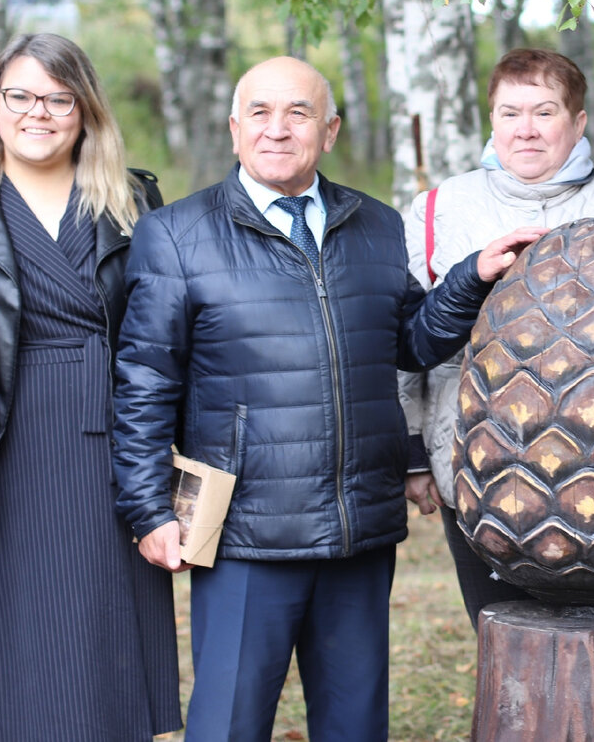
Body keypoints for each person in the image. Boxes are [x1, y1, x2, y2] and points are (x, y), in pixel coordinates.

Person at [112, 55, 543, 742]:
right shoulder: (177, 235)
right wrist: (146, 508)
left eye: (299, 113)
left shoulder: (373, 224)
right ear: (233, 129)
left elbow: (407, 340)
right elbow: (144, 380)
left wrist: (470, 278)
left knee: (355, 725)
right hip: (247, 533)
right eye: (260, 112)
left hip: (357, 529)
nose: (277, 129)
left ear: (331, 129)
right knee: (229, 724)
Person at [400, 47, 594, 629]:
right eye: (510, 113)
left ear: (578, 121)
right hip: (476, 462)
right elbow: (404, 343)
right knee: (506, 638)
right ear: (491, 119)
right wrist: (414, 454)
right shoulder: (437, 209)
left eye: (545, 112)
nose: (527, 131)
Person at [0, 33, 180, 741]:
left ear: (85, 108)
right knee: (9, 617)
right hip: (2, 431)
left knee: (99, 622)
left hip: (111, 434)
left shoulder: (129, 200)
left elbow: (165, 332)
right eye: (21, 96)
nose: (39, 112)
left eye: (59, 98)